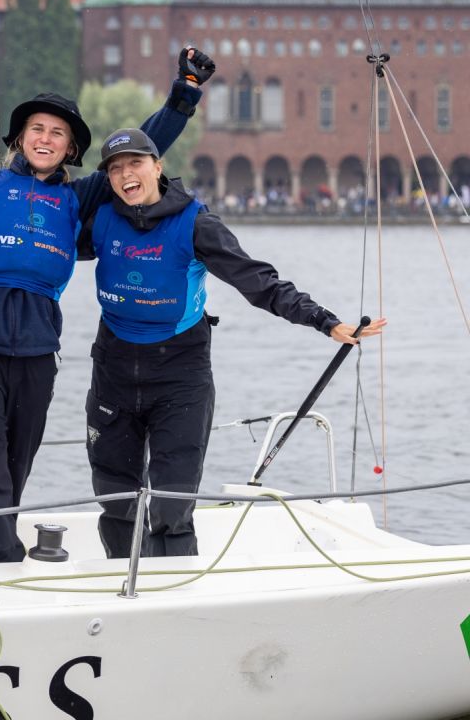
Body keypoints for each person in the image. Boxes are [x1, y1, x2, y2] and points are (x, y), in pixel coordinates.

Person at [0, 49, 215, 564]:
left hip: (37, 350)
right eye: (36, 128)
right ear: (20, 138)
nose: (45, 138)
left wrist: (184, 91)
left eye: (57, 133)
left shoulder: (77, 199)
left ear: (70, 149)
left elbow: (142, 152)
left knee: (14, 473)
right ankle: (3, 566)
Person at [85, 127, 386, 558]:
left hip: (179, 377)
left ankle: (174, 594)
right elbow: (35, 252)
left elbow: (259, 282)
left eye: (135, 163)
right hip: (113, 371)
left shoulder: (196, 224)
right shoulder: (99, 220)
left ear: (158, 166)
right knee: (115, 501)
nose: (125, 174)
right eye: (115, 168)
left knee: (171, 506)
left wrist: (326, 322)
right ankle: (121, 586)